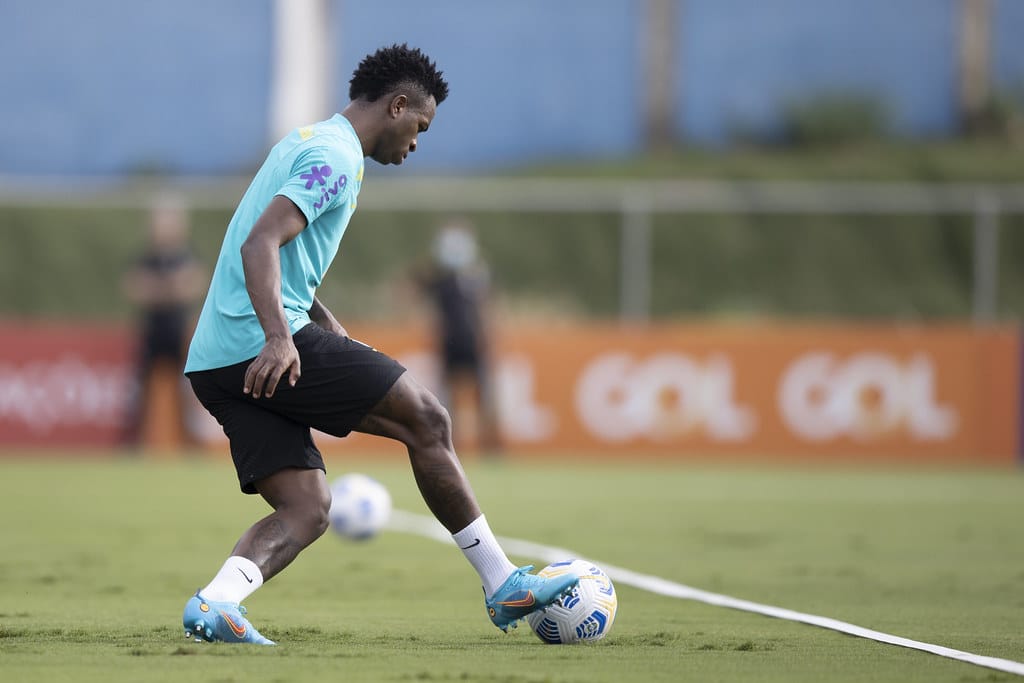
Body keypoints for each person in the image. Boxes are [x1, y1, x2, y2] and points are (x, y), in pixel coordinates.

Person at [180, 44, 577, 645]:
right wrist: (279, 337)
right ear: (396, 106)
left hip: (215, 362)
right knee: (427, 418)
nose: (416, 142)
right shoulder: (335, 156)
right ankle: (503, 584)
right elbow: (260, 243)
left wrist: (322, 321)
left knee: (307, 508)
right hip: (255, 342)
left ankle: (216, 603)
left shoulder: (310, 141)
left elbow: (281, 254)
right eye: (420, 126)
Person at [120, 196, 205, 449]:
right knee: (140, 391)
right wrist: (170, 288)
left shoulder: (187, 255)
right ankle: (132, 442)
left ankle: (191, 443)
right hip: (151, 332)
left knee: (187, 390)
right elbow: (134, 287)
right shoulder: (145, 257)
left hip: (179, 332)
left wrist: (159, 289)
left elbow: (193, 285)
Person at [414, 219, 502, 454]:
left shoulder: (477, 275)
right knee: (448, 397)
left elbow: (486, 308)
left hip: (473, 341)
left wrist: (489, 338)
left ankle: (491, 446)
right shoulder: (440, 279)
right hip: (449, 344)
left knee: (484, 395)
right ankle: (451, 445)